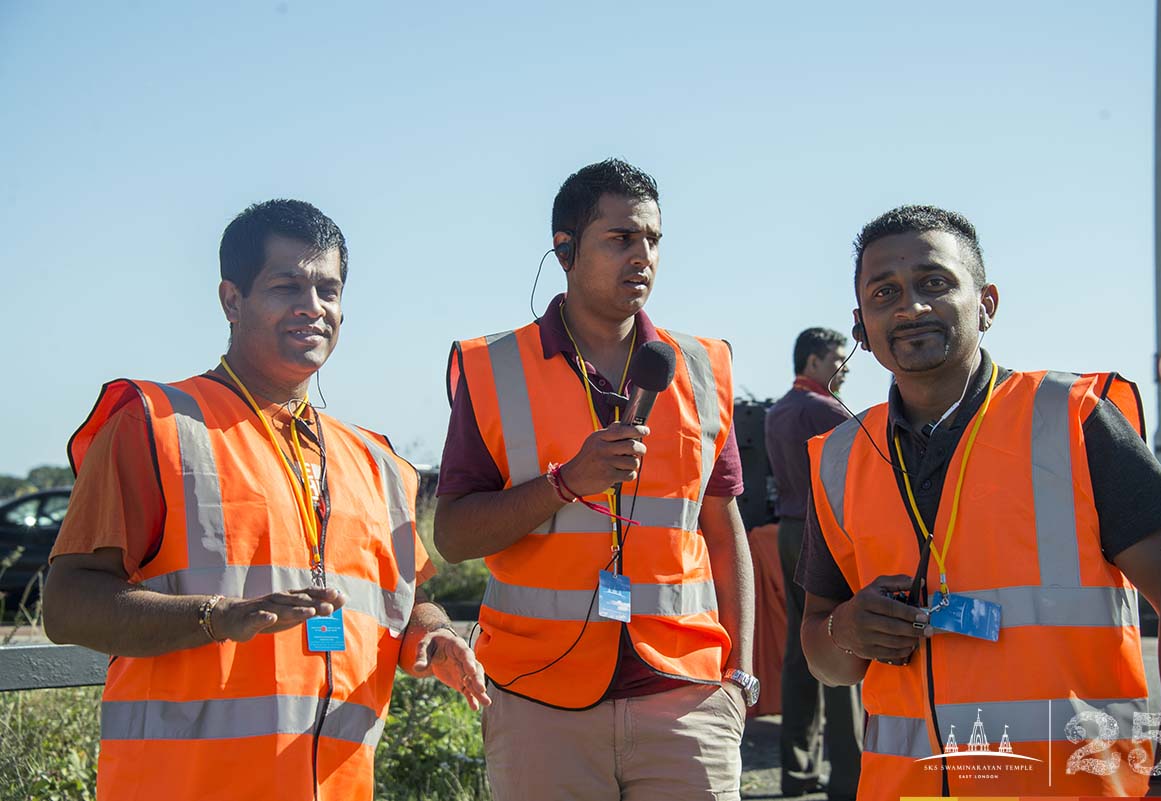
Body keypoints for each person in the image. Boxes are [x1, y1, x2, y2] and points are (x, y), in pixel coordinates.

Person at [42, 199, 490, 801]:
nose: (313, 306)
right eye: (287, 287)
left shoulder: (378, 462)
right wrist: (218, 617)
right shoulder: (154, 425)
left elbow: (409, 604)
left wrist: (432, 637)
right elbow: (66, 605)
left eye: (329, 290)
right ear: (232, 300)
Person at [799, 204, 1161, 798]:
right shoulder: (839, 458)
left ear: (986, 304)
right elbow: (823, 656)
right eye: (885, 293)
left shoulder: (1072, 420)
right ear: (861, 326)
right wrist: (846, 631)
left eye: (935, 283)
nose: (910, 307)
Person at [434, 158, 757, 800]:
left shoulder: (701, 366)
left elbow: (724, 532)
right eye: (620, 238)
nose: (643, 257)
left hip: (688, 699)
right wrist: (565, 483)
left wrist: (740, 677)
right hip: (537, 702)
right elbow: (453, 536)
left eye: (653, 240)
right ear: (565, 250)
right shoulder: (492, 367)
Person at [764, 327, 862, 800]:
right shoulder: (829, 412)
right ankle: (850, 776)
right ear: (814, 362)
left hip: (788, 530)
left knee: (799, 651)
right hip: (824, 534)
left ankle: (797, 771)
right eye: (838, 359)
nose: (846, 368)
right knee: (840, 642)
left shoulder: (778, 412)